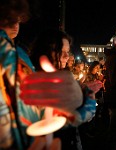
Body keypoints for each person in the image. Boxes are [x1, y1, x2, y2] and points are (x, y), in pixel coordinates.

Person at [0, 0, 96, 149]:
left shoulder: (16, 55)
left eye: (67, 52)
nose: (66, 57)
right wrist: (86, 101)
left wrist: (83, 91)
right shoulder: (16, 61)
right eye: (61, 52)